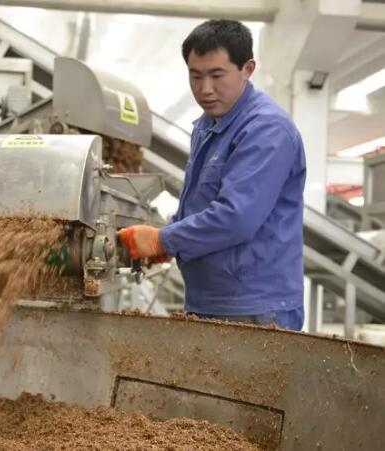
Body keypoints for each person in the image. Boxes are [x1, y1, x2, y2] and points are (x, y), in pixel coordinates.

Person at [119, 19, 306, 330]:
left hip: (253, 306)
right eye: (195, 76)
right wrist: (169, 238)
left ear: (247, 69)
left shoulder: (266, 129)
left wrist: (163, 241)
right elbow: (199, 204)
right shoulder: (207, 125)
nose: (205, 89)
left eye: (217, 75)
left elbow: (237, 217)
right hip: (209, 298)